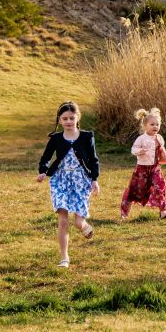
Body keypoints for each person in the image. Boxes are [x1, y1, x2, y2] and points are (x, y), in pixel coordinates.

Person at [36, 101, 100, 268]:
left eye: (72, 118)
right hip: (60, 180)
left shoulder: (87, 137)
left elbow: (93, 160)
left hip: (81, 181)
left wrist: (95, 179)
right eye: (65, 118)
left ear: (78, 118)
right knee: (63, 220)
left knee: (78, 222)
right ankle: (64, 258)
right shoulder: (56, 138)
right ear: (59, 120)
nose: (68, 121)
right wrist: (43, 171)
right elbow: (46, 157)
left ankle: (83, 225)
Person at [120, 107, 166, 220]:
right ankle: (124, 213)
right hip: (142, 170)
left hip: (155, 168)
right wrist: (139, 151)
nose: (155, 127)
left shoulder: (159, 138)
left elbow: (161, 151)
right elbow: (133, 149)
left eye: (157, 124)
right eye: (152, 124)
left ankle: (163, 211)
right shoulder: (141, 139)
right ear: (145, 126)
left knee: (160, 187)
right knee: (134, 191)